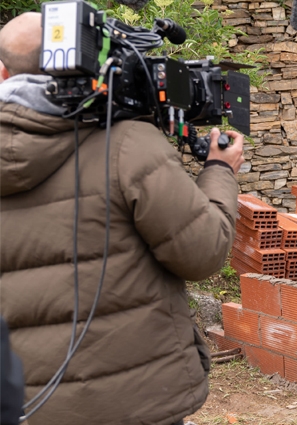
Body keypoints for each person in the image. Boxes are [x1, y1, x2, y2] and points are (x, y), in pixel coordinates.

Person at [0, 12, 245, 425]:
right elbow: (202, 253)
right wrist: (220, 171)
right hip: (139, 401)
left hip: (29, 405)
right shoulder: (128, 144)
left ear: (2, 72)